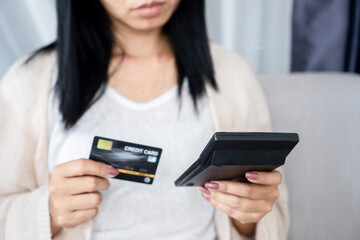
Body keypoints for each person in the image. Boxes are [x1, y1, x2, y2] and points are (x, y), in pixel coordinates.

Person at [0, 0, 289, 239]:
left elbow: (271, 218)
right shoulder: (30, 81)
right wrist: (48, 211)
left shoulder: (232, 74)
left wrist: (248, 215)